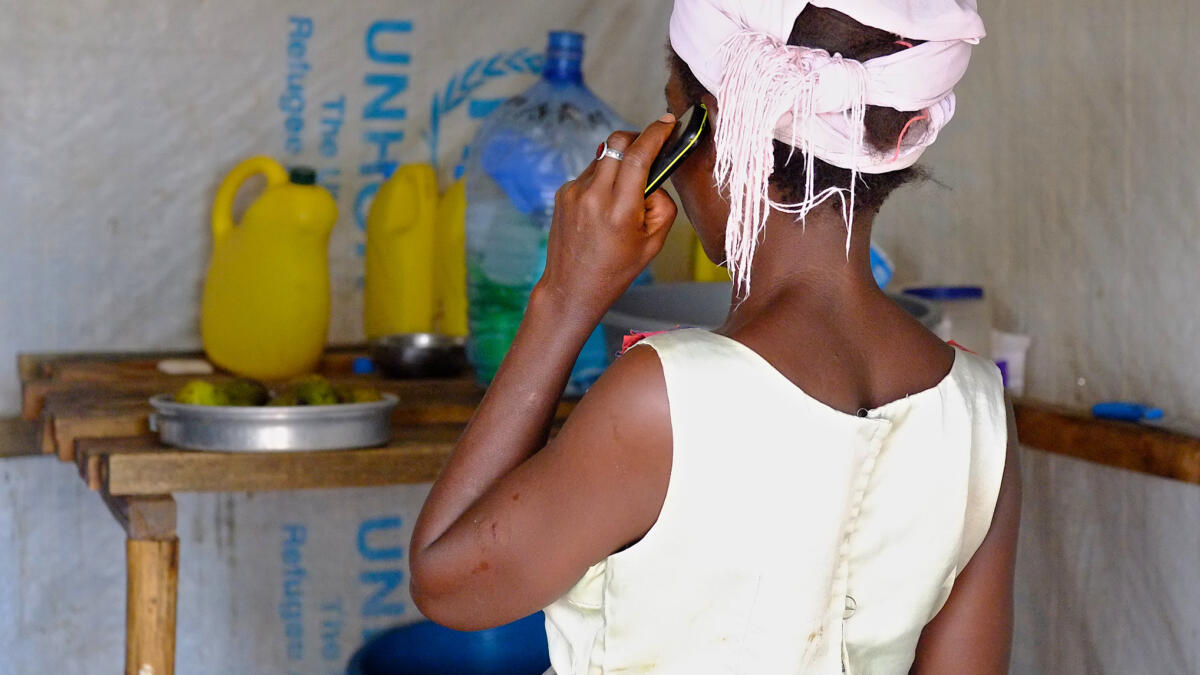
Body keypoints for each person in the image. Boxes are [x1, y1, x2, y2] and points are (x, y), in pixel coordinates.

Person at [410, 1, 1020, 672]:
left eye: (673, 113)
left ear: (715, 133)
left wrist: (563, 297)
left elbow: (446, 581)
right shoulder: (980, 414)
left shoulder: (666, 399)